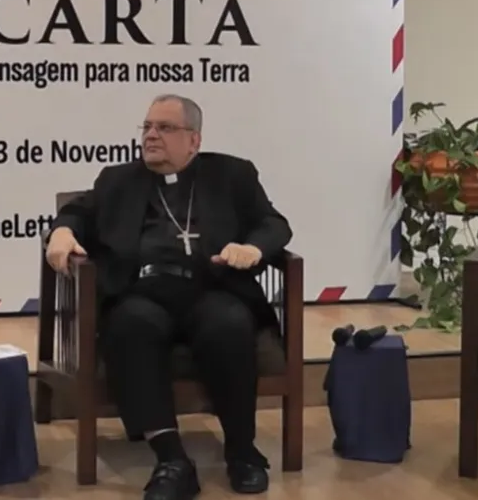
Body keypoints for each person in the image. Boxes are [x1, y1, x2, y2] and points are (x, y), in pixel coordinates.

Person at [45, 94, 292, 500]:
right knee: (129, 326)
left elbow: (273, 224)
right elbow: (78, 213)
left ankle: (242, 452)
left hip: (212, 286)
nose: (151, 136)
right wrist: (62, 231)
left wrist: (253, 249)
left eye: (164, 127)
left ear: (194, 140)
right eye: (147, 127)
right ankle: (172, 459)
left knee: (230, 324)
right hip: (141, 292)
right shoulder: (117, 179)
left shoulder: (232, 175)